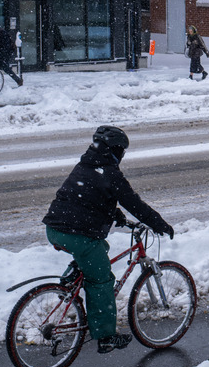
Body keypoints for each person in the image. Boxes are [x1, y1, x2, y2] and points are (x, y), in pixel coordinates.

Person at [42, 126, 175, 354]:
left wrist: (117, 216)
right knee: (102, 279)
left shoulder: (85, 165)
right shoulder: (110, 173)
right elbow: (133, 202)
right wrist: (158, 223)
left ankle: (72, 277)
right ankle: (106, 337)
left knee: (99, 248)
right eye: (121, 150)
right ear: (115, 150)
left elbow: (87, 197)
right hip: (77, 234)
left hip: (55, 229)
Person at [0, 19, 22, 87]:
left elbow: (5, 45)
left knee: (4, 69)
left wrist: (2, 55)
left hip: (2, 55)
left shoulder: (1, 32)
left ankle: (18, 80)